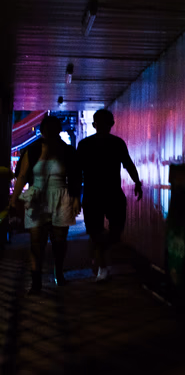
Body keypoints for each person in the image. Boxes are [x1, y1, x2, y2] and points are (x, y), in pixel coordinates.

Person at [9, 115, 81, 293]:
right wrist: (13, 200)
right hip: (37, 197)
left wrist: (75, 199)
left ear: (58, 131)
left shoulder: (67, 151)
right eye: (47, 130)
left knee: (59, 241)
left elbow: (75, 177)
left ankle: (58, 271)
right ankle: (36, 280)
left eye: (53, 130)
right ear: (42, 131)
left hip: (60, 197)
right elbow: (22, 176)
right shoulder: (32, 150)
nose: (49, 133)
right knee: (36, 242)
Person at [77, 109, 143, 282]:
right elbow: (128, 164)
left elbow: (77, 172)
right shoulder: (117, 143)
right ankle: (101, 264)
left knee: (95, 231)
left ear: (93, 125)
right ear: (112, 124)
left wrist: (75, 197)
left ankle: (100, 260)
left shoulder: (84, 145)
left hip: (92, 195)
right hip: (113, 194)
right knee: (115, 232)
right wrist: (137, 182)